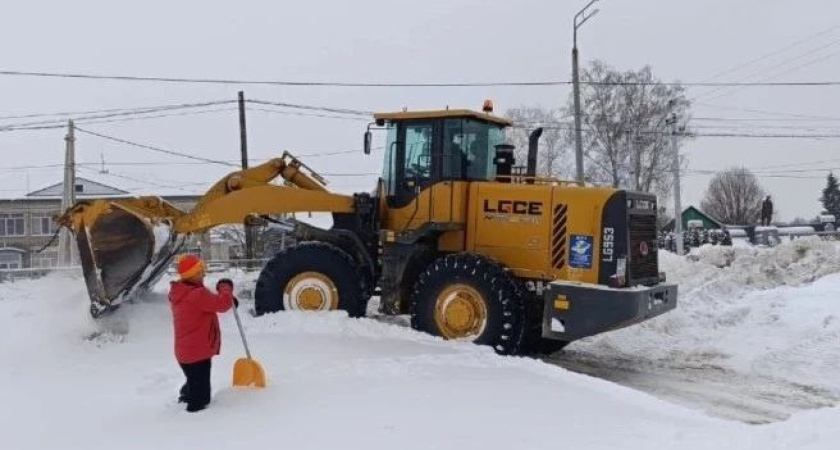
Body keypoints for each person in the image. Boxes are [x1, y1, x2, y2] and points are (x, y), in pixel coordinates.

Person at [169, 254, 234, 413]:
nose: (203, 274)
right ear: (192, 275)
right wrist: (225, 287)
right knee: (202, 398)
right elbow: (222, 304)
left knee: (194, 379)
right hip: (198, 354)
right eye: (200, 272)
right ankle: (194, 419)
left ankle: (186, 395)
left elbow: (209, 304)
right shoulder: (197, 294)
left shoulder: (180, 292)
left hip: (185, 353)